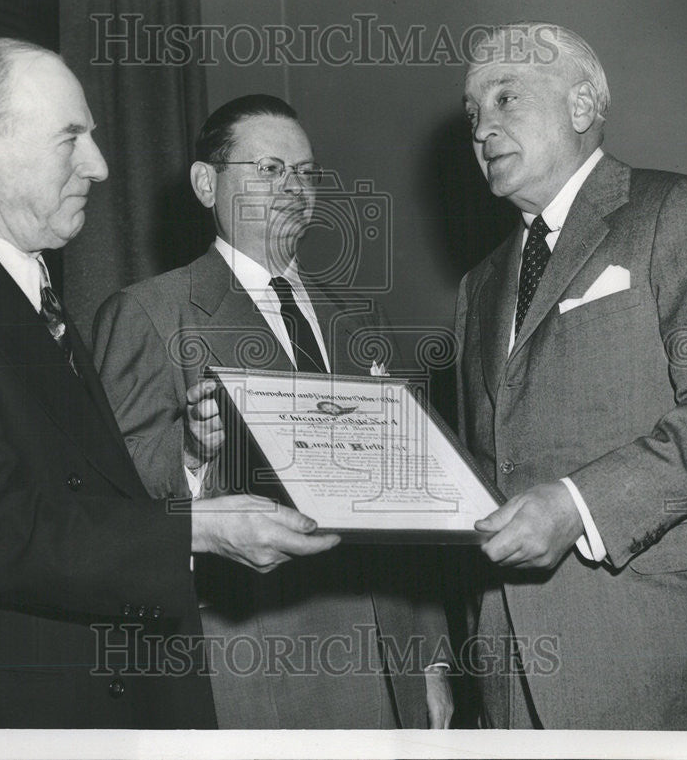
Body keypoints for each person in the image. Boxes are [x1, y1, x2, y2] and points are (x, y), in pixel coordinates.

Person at [0, 39, 338, 729]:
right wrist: (196, 530)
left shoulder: (29, 295)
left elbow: (87, 492)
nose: (99, 166)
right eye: (71, 138)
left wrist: (190, 481)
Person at [455, 22, 687, 730]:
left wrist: (577, 505)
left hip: (664, 657)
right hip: (512, 672)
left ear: (580, 108)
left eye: (506, 98)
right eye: (473, 113)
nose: (483, 127)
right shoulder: (477, 287)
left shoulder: (677, 207)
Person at [93, 94, 454, 729]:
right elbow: (114, 503)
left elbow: (410, 501)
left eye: (306, 171)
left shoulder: (360, 318)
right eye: (268, 169)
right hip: (256, 665)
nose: (294, 186)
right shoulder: (150, 311)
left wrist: (429, 657)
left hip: (387, 656)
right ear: (208, 184)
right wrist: (193, 455)